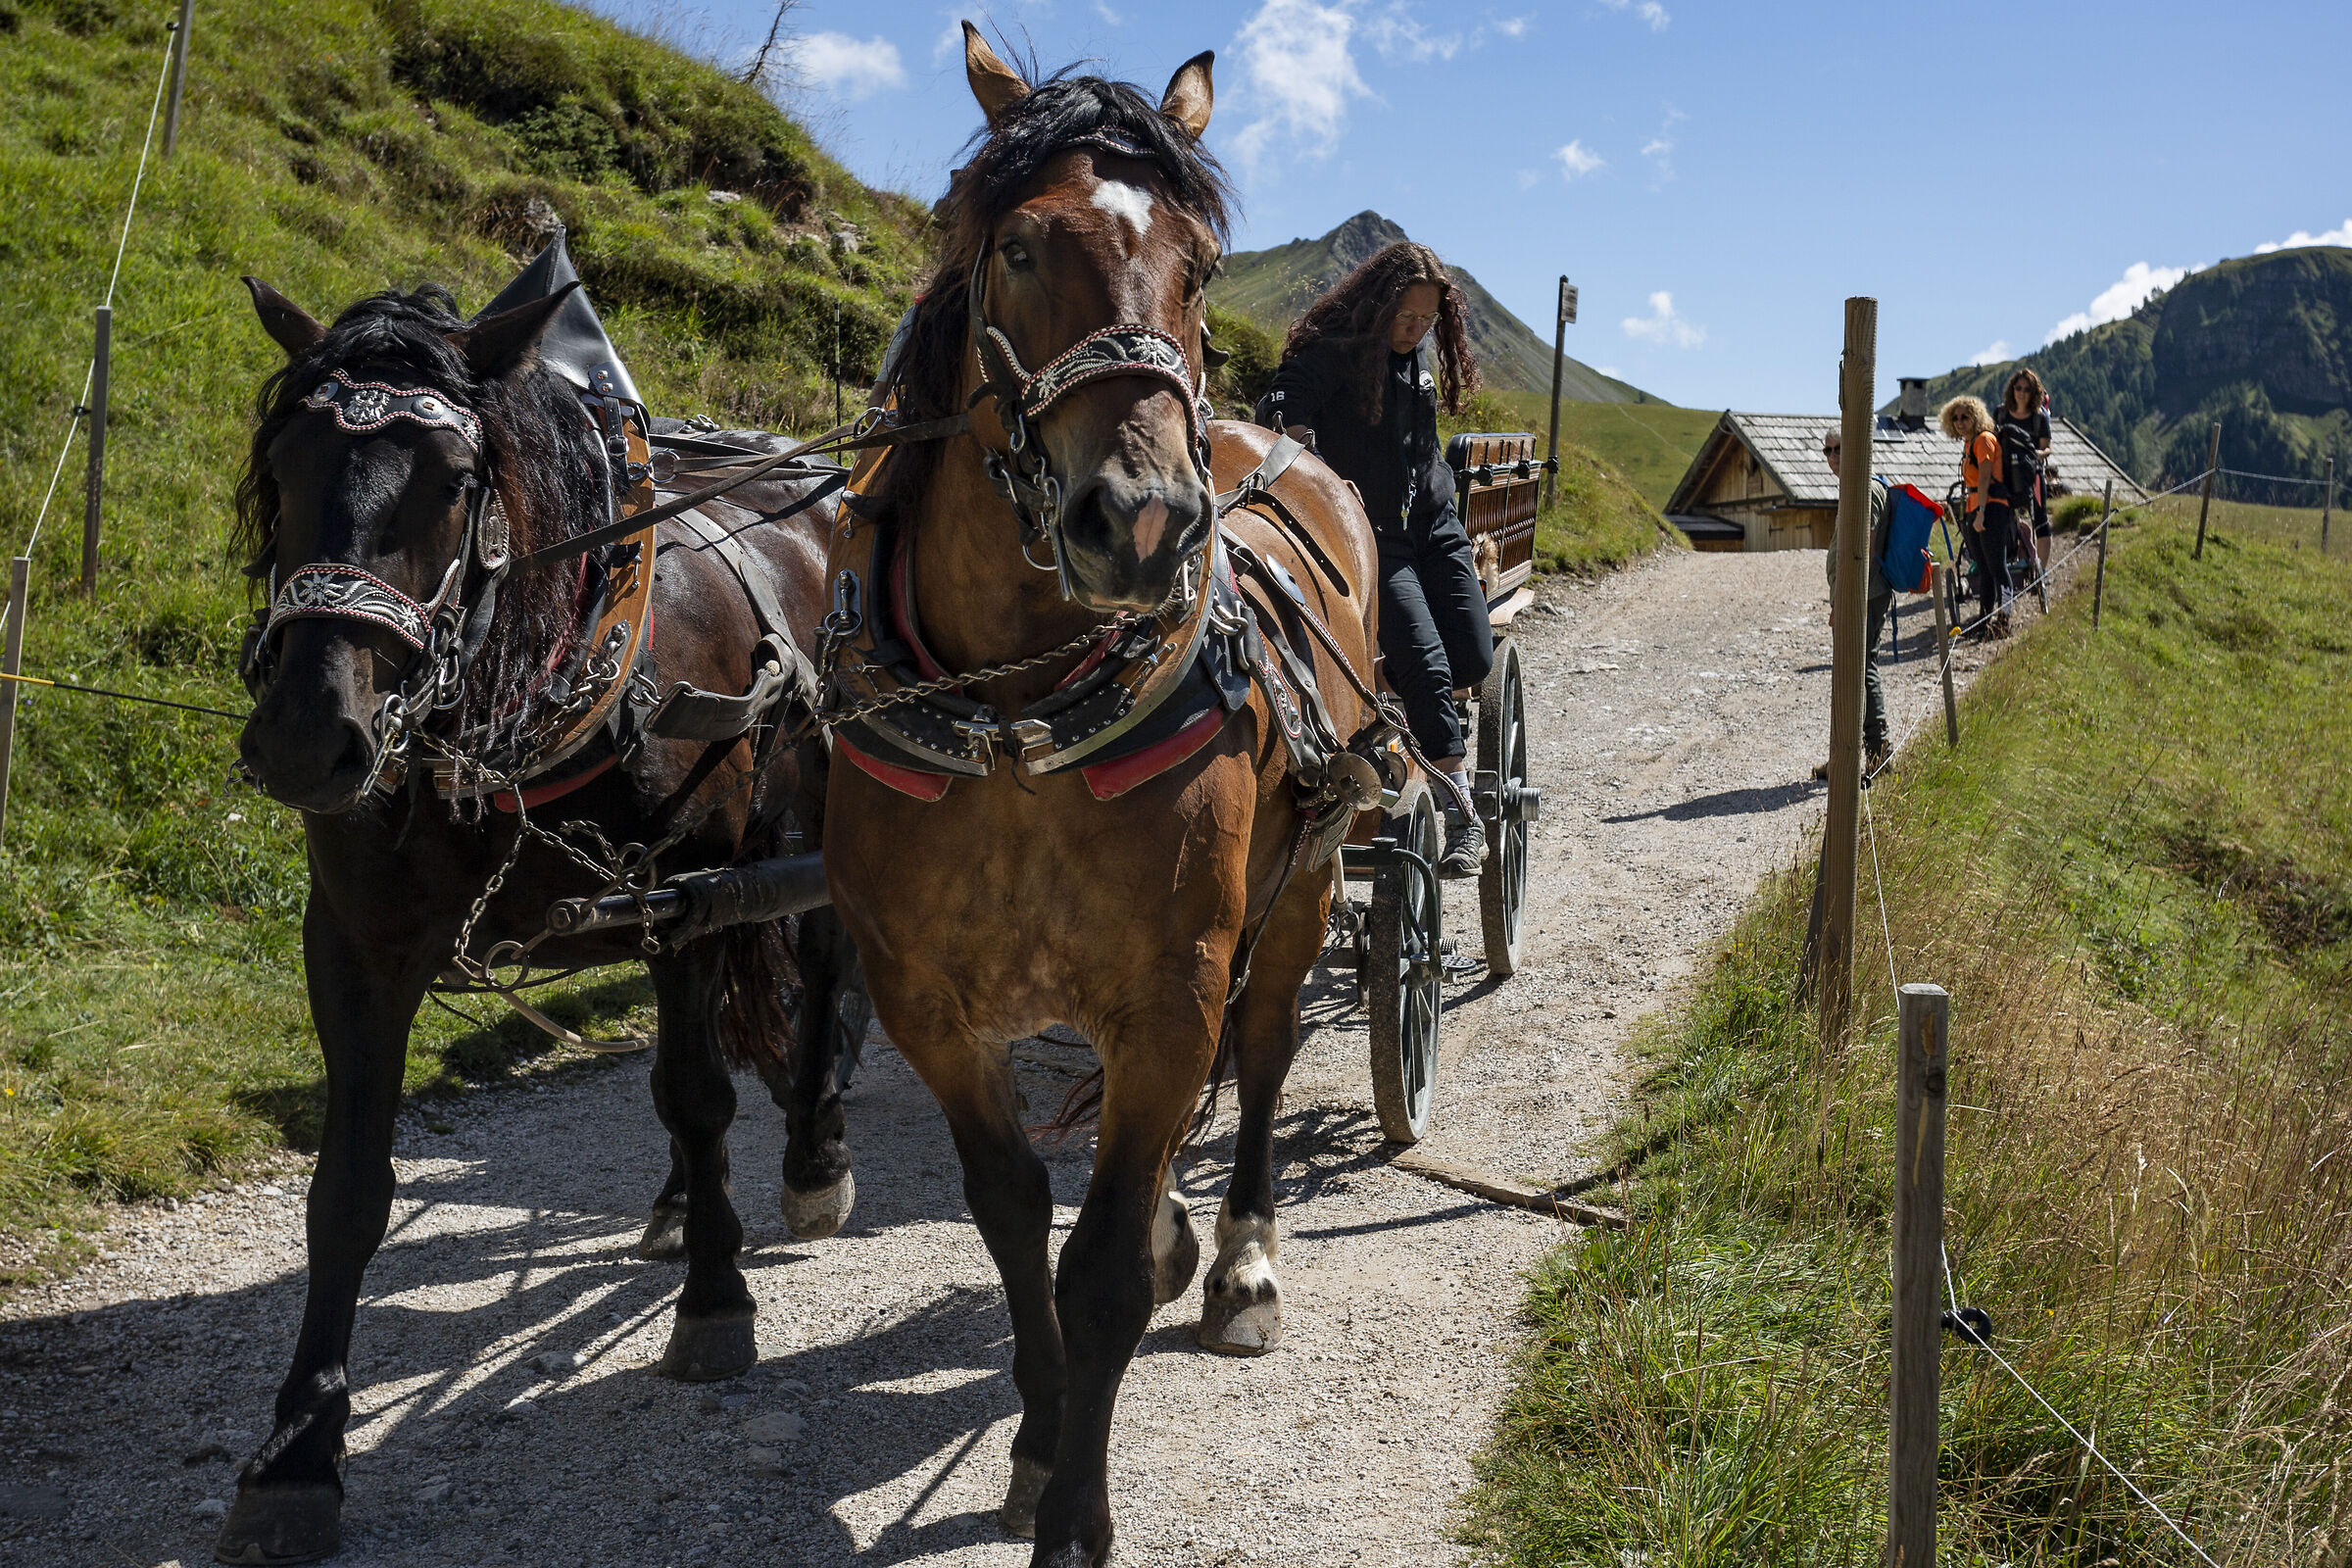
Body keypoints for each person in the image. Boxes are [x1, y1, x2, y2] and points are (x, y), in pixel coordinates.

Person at [1258, 242, 1493, 876]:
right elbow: (1279, 408)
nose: (1416, 331)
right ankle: (1461, 813)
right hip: (1374, 536)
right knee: (1429, 666)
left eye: (1427, 321)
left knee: (1474, 655)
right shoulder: (1332, 353)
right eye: (1407, 318)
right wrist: (1323, 476)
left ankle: (1402, 701)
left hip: (1435, 523)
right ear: (1378, 303)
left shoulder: (1414, 353)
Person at [1811, 427, 1892, 782]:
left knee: (1860, 668)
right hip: (1859, 594)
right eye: (1827, 450)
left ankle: (1872, 754)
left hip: (1863, 596)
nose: (1832, 457)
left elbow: (1864, 551)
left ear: (1857, 448)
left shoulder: (1866, 489)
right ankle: (1855, 755)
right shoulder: (1855, 487)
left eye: (1839, 448)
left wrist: (1845, 601)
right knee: (1856, 669)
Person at [1940, 394, 2016, 634]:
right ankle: (1985, 621)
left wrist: (1981, 513)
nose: (1960, 422)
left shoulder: (1984, 440)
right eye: (1956, 418)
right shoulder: (1969, 442)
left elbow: (1984, 477)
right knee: (1984, 568)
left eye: (1965, 417)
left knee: (1997, 566)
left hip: (1991, 507)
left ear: (1976, 417)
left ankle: (2004, 621)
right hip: (1976, 506)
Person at [1996, 368, 2053, 566]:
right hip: (2005, 475)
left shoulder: (2040, 417)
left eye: (2026, 389)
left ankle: (2042, 570)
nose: (2021, 392)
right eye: (2018, 388)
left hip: (2033, 475)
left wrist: (2038, 455)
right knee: (2003, 518)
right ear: (2012, 389)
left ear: (2034, 392)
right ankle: (2011, 561)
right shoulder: (2001, 414)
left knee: (2041, 519)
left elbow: (2047, 448)